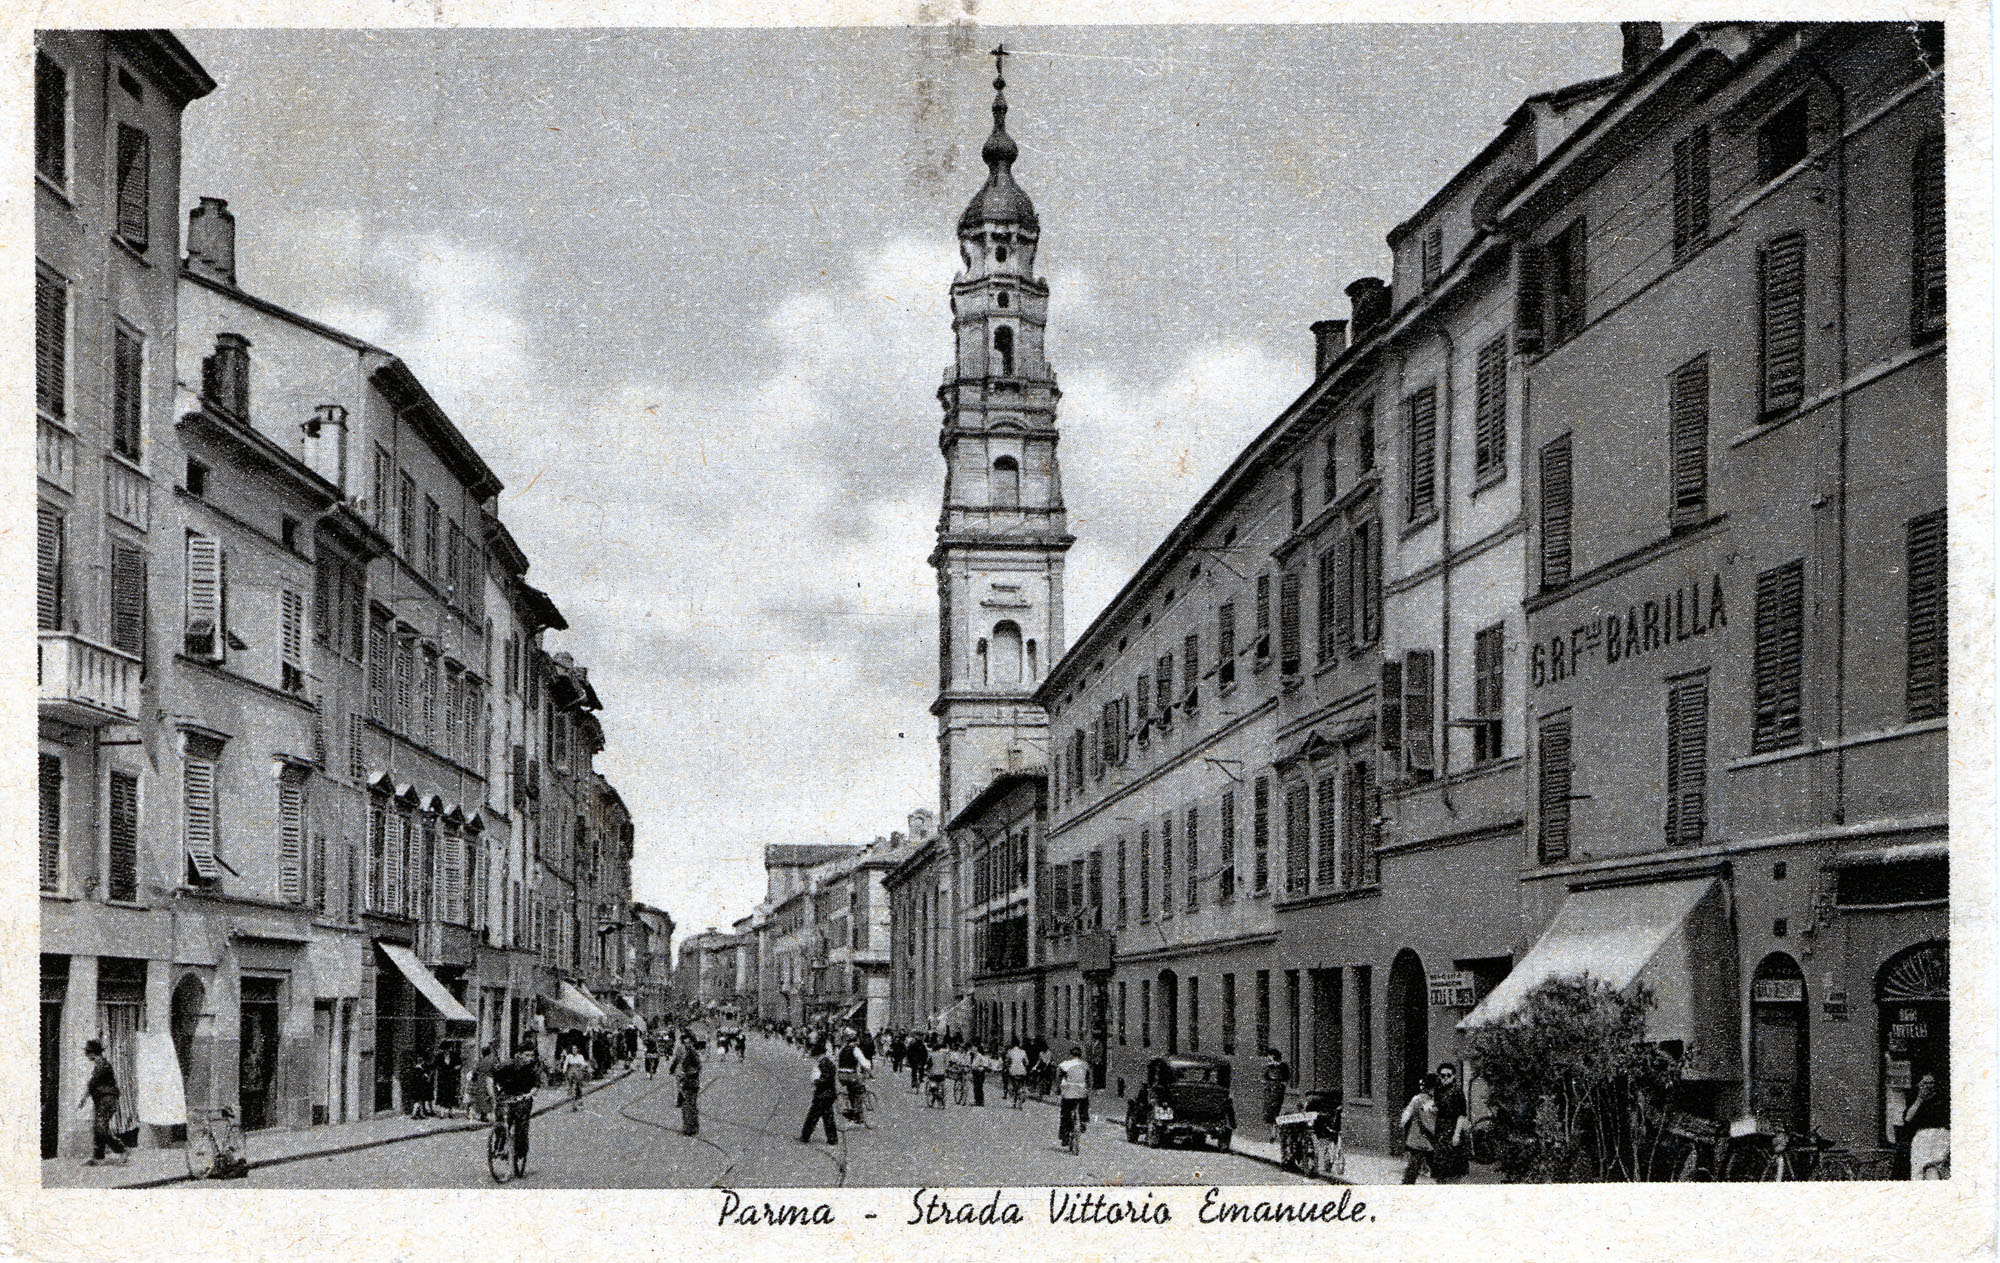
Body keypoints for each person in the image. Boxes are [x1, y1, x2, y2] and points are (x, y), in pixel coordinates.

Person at [488, 1043, 541, 1165]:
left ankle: (520, 1152)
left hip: (523, 1098)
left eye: (532, 1056)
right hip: (507, 1095)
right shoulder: (508, 1065)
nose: (530, 1058)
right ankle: (499, 1147)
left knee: (522, 1126)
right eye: (527, 1055)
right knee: (500, 1120)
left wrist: (532, 1092)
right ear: (519, 1055)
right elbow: (492, 1076)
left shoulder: (533, 1068)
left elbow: (536, 1085)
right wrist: (493, 1093)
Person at [78, 1039, 128, 1166]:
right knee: (99, 1127)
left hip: (107, 1100)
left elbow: (92, 1084)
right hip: (101, 1100)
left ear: (92, 1053)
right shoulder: (100, 1064)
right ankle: (98, 1157)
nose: (86, 1055)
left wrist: (83, 1099)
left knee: (100, 1127)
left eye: (87, 1052)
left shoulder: (102, 1065)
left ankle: (121, 1149)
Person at [1895, 1071, 1949, 1179]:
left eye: (1931, 1083)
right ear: (1919, 1085)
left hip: (1939, 1137)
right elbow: (1907, 1118)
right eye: (1925, 1083)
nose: (1928, 1086)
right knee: (1918, 1171)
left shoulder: (1941, 1100)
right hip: (1921, 1139)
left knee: (1934, 1169)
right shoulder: (1914, 1100)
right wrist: (1920, 1099)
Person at [1431, 1062, 1470, 1182]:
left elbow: (1461, 1115)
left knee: (1453, 1170)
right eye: (1443, 1075)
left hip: (1452, 1130)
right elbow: (1438, 1108)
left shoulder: (1457, 1092)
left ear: (1453, 1076)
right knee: (1440, 1169)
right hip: (1440, 1131)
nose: (1445, 1078)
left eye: (1448, 1075)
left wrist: (1456, 1134)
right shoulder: (1438, 1091)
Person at [1400, 1073, 1442, 1184]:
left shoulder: (1417, 1099)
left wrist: (1403, 1122)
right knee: (1438, 1169)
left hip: (1418, 1138)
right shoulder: (1435, 1100)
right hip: (1431, 1139)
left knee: (1412, 1170)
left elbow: (1406, 1114)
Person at [800, 1043, 841, 1144]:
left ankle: (805, 1136)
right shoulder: (827, 1062)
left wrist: (817, 1082)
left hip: (823, 1094)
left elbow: (826, 1078)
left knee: (813, 1116)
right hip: (829, 1094)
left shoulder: (823, 1063)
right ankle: (832, 1139)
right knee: (828, 1116)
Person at [1056, 1045, 1091, 1150]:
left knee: (1065, 1113)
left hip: (1069, 1093)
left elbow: (1058, 1077)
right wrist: (1087, 1088)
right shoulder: (1085, 1065)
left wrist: (1058, 1089)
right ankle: (1084, 1120)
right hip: (1081, 1092)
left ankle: (1065, 1135)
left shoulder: (1065, 1065)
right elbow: (1089, 1079)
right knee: (1084, 1105)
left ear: (1070, 1055)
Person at [668, 1032, 703, 1135]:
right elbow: (699, 1066)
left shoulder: (682, 1050)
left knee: (686, 1103)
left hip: (686, 1079)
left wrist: (673, 1070)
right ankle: (693, 1126)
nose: (687, 1044)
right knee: (691, 1102)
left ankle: (688, 1127)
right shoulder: (694, 1051)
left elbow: (675, 1061)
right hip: (692, 1079)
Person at [836, 1032, 873, 1123]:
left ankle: (853, 1109)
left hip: (841, 1075)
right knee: (859, 1091)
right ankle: (857, 1114)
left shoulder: (842, 1049)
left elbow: (837, 1059)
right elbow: (863, 1062)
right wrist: (870, 1072)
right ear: (856, 1041)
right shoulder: (855, 1049)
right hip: (850, 1075)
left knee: (852, 1090)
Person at [1262, 1048, 1290, 1142]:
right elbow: (1265, 1077)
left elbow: (1286, 1077)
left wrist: (1281, 1084)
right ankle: (1272, 1132)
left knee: (1276, 1110)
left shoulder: (1283, 1066)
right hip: (1269, 1090)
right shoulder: (1269, 1067)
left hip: (1277, 1090)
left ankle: (1274, 1133)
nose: (1269, 1061)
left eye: (1270, 1058)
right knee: (1269, 1113)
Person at [469, 1043, 499, 1122]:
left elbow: (474, 1071)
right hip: (489, 1080)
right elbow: (496, 1070)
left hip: (480, 1080)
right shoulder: (492, 1061)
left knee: (482, 1097)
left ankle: (483, 1114)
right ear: (489, 1053)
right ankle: (490, 1115)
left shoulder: (480, 1062)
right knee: (491, 1097)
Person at [561, 1045, 590, 1111]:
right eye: (573, 1049)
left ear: (577, 1049)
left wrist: (585, 1066)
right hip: (571, 1072)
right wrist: (564, 1069)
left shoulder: (580, 1056)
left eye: (575, 1049)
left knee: (578, 1086)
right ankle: (573, 1104)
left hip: (578, 1071)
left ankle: (579, 1101)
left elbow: (582, 1064)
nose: (574, 1050)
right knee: (571, 1087)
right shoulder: (569, 1056)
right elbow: (565, 1064)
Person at [1005, 1038, 1029, 1104]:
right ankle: (1021, 1095)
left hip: (1013, 1071)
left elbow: (1007, 1061)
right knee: (1021, 1085)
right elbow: (1027, 1062)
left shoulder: (1010, 1051)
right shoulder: (1023, 1051)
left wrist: (1008, 1066)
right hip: (1022, 1071)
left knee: (1012, 1084)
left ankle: (1013, 1095)